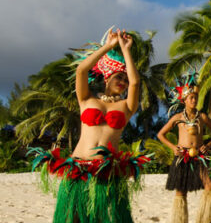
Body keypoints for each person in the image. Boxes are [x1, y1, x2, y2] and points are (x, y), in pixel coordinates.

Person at [28, 27, 151, 223]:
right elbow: (81, 70)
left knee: (100, 219)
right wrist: (108, 46)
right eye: (119, 77)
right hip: (78, 168)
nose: (124, 82)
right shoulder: (86, 99)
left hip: (106, 172)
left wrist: (125, 49)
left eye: (125, 79)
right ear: (106, 77)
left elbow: (136, 82)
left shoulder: (126, 106)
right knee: (73, 218)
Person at [158, 73, 211, 223]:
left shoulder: (202, 117)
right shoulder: (178, 118)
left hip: (200, 156)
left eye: (195, 97)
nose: (194, 100)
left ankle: (206, 219)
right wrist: (173, 147)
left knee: (209, 185)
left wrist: (208, 145)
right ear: (184, 100)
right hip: (182, 156)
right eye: (191, 98)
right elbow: (161, 135)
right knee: (181, 190)